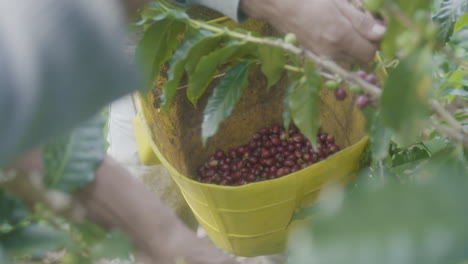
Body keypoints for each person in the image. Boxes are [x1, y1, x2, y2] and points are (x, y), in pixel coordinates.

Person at [0, 0, 386, 263]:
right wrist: (161, 239)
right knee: (146, 162)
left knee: (275, 223)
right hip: (155, 31)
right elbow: (26, 121)